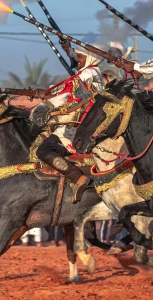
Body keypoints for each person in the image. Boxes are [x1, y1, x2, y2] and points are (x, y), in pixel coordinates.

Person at [33, 45, 105, 200]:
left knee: (43, 151)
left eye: (80, 57)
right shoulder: (87, 72)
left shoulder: (89, 72)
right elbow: (67, 92)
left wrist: (48, 98)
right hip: (77, 122)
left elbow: (70, 93)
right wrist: (47, 95)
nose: (77, 60)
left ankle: (78, 179)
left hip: (80, 126)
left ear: (90, 58)